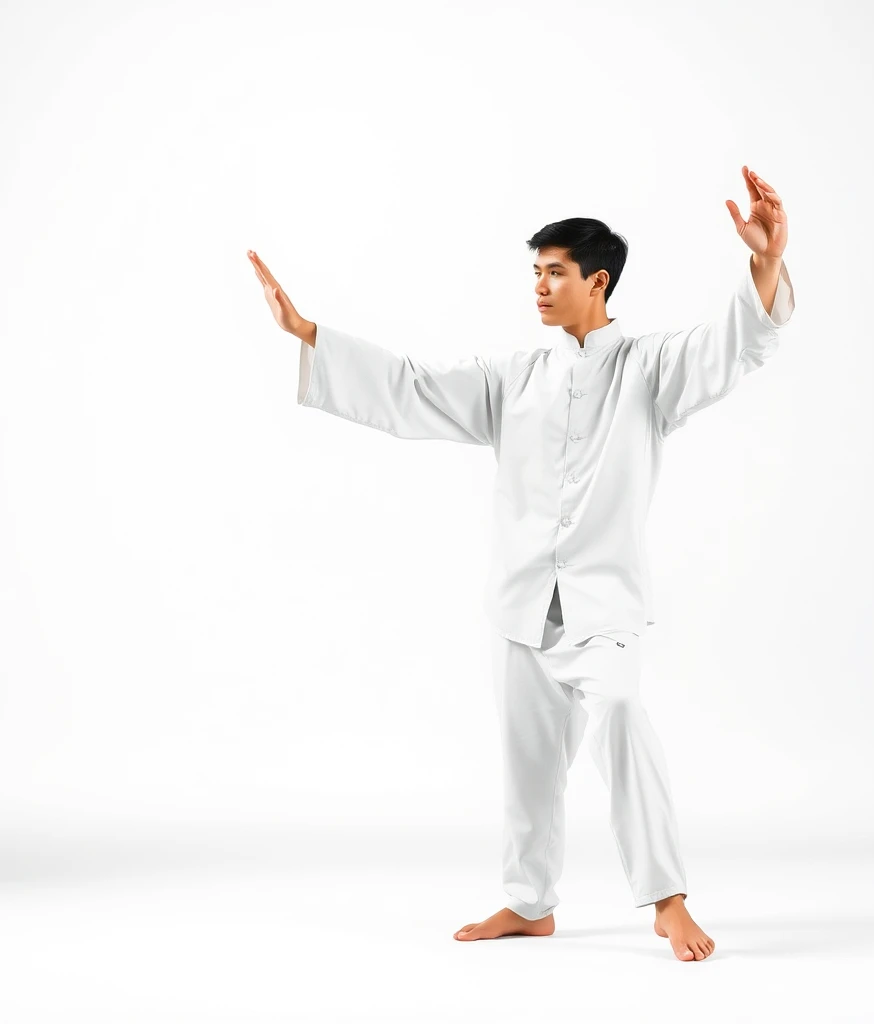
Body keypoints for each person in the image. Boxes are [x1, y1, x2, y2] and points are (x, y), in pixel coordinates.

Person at [247, 165, 795, 962]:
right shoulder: (514, 378)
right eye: (534, 272)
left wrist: (766, 264)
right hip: (521, 607)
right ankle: (529, 903)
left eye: (555, 273)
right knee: (528, 765)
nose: (539, 286)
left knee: (619, 716)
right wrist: (308, 333)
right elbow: (411, 389)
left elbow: (736, 347)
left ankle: (667, 899)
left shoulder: (649, 371)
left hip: (603, 610)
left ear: (597, 280)